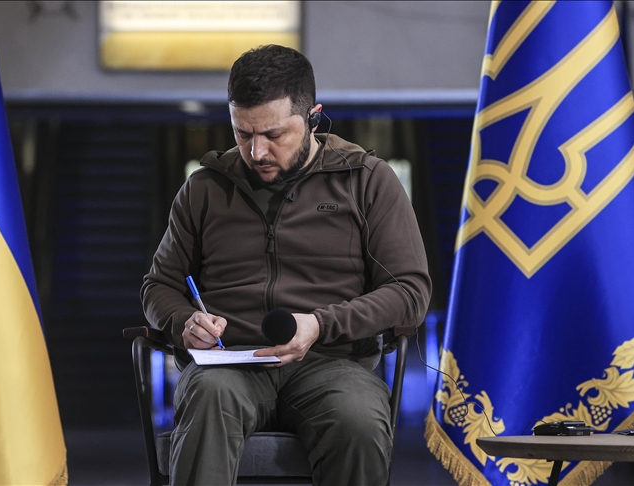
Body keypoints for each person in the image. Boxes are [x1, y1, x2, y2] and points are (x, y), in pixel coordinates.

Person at [141, 44, 431, 485]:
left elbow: (410, 292)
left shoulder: (367, 181)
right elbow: (158, 286)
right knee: (208, 397)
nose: (256, 151)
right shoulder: (204, 189)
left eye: (274, 135)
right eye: (243, 134)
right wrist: (184, 321)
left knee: (357, 419)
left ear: (313, 117)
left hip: (332, 363)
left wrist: (320, 324)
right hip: (229, 364)